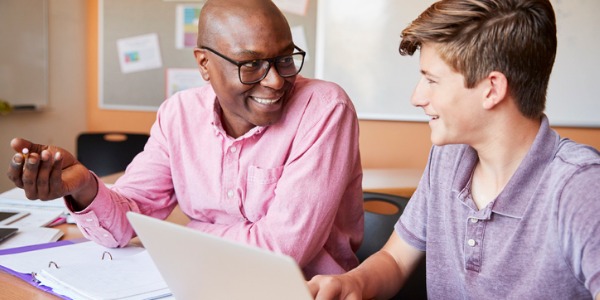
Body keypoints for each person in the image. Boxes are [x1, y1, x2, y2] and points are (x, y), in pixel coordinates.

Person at [6, 0, 364, 279]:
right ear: (204, 64)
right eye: (251, 64)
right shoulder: (178, 114)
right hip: (196, 282)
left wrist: (186, 229)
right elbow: (127, 222)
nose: (274, 81)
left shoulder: (324, 107)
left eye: (284, 58)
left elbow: (281, 252)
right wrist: (84, 186)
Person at [308, 0, 600, 299]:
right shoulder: (448, 158)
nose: (417, 97)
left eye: (432, 80)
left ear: (492, 89)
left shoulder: (581, 187)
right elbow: (395, 261)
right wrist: (352, 283)